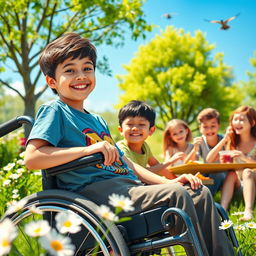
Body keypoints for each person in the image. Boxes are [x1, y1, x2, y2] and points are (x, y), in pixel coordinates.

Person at [24, 32, 234, 256]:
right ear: (52, 81)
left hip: (126, 185)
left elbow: (127, 164)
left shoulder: (97, 120)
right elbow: (33, 158)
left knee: (196, 192)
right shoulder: (55, 110)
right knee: (177, 195)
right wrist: (88, 149)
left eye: (87, 68)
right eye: (70, 70)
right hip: (93, 194)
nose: (81, 76)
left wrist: (167, 180)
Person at [207, 106, 256, 220]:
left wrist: (243, 158)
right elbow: (209, 159)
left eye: (242, 120)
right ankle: (222, 210)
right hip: (239, 185)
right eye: (235, 119)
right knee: (231, 174)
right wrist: (225, 139)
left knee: (247, 172)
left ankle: (248, 211)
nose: (237, 122)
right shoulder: (232, 141)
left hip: (253, 181)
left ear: (252, 122)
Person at [117, 100, 182, 179]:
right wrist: (169, 162)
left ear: (151, 130)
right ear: (121, 130)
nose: (135, 128)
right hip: (125, 186)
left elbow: (157, 166)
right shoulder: (121, 149)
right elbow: (136, 172)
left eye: (141, 124)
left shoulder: (144, 147)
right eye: (130, 124)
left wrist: (176, 179)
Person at [188, 108, 227, 195]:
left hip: (223, 174)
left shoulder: (224, 140)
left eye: (213, 126)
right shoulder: (200, 141)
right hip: (207, 174)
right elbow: (191, 163)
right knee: (196, 177)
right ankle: (193, 197)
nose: (209, 130)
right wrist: (195, 148)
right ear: (200, 128)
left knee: (217, 175)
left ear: (218, 126)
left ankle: (206, 199)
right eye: (205, 127)